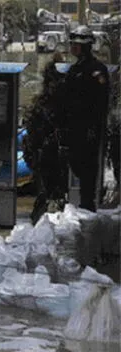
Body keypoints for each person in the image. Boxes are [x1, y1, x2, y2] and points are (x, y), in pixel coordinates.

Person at [56, 25, 110, 212]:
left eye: (76, 45)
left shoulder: (97, 70)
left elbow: (101, 103)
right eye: (72, 44)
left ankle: (88, 207)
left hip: (88, 130)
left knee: (88, 172)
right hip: (72, 129)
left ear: (85, 47)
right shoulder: (74, 70)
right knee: (74, 165)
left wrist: (94, 129)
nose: (73, 48)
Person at [22, 53, 68, 223]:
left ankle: (41, 222)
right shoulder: (52, 103)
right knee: (51, 193)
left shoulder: (44, 103)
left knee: (47, 193)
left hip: (47, 156)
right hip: (49, 156)